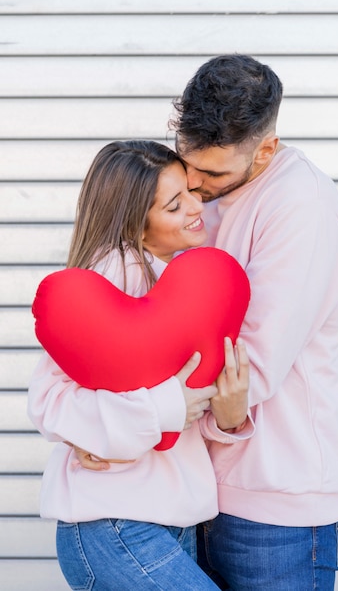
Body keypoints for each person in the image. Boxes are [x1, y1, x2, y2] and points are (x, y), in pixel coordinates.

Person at [168, 54, 338, 590]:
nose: (195, 184)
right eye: (189, 163)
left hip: (276, 505)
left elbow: (250, 361)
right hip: (198, 486)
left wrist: (140, 418)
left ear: (266, 150)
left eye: (213, 173)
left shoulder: (302, 205)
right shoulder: (199, 193)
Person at [27, 140, 253, 590]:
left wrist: (222, 416)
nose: (196, 207)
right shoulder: (119, 272)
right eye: (174, 205)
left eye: (190, 191)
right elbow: (49, 400)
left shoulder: (185, 282)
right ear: (138, 227)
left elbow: (182, 401)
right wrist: (167, 407)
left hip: (166, 522)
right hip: (116, 524)